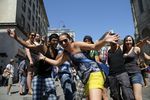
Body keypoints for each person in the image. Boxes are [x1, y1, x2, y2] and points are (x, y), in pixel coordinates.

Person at [37, 32, 119, 100]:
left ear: (70, 39)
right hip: (85, 79)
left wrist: (105, 41)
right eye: (61, 42)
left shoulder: (77, 44)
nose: (63, 43)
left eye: (65, 40)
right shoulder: (66, 53)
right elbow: (57, 63)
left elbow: (94, 47)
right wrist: (44, 58)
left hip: (95, 73)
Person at [7, 29, 59, 100]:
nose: (56, 42)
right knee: (36, 97)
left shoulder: (56, 51)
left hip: (48, 76)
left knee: (52, 97)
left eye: (57, 40)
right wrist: (16, 37)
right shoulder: (43, 48)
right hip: (38, 76)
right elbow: (28, 45)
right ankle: (29, 89)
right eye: (54, 40)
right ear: (49, 41)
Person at [107, 34, 134, 100]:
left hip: (122, 74)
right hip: (112, 76)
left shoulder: (121, 47)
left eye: (115, 39)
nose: (113, 41)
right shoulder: (108, 51)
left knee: (127, 94)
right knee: (115, 95)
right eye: (111, 39)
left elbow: (131, 46)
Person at [123, 35, 144, 100]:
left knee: (137, 97)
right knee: (130, 97)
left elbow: (144, 57)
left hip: (136, 74)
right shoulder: (123, 51)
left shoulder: (136, 48)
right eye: (126, 40)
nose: (128, 42)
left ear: (132, 41)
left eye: (130, 40)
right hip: (126, 76)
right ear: (124, 42)